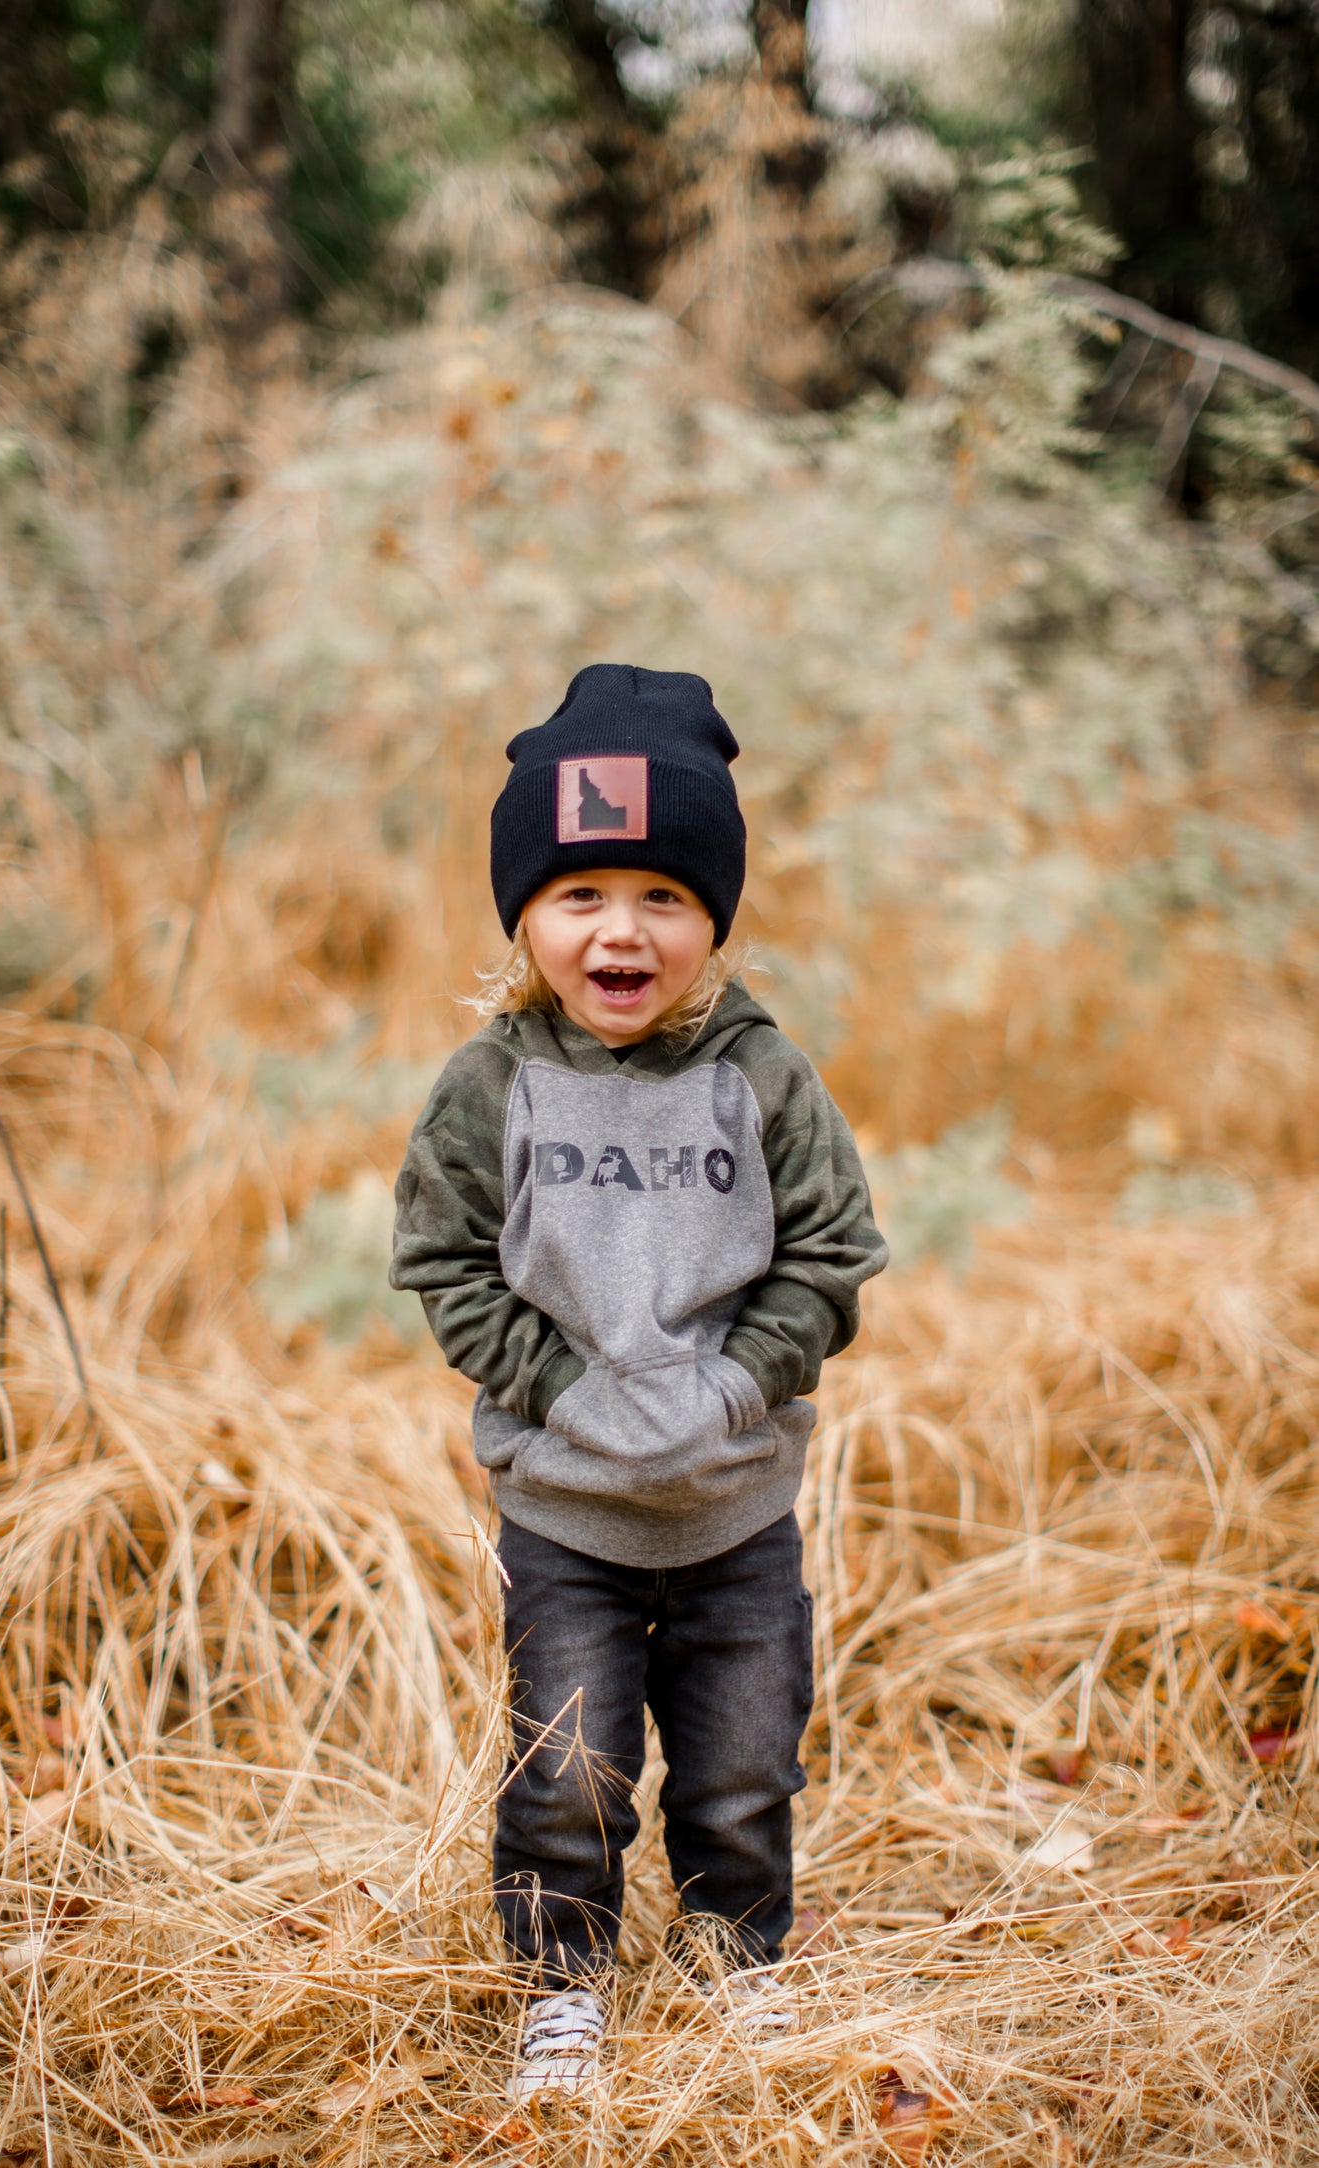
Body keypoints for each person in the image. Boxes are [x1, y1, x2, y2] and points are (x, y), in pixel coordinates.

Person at [390, 664, 887, 2099]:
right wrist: (560, 1386)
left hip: (737, 1515)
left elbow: (833, 1253)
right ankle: (562, 1984)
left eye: (663, 895)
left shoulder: (764, 1078)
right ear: (525, 919)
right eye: (580, 894)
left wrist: (736, 1385)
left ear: (712, 921)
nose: (621, 927)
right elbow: (443, 1265)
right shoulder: (489, 1090)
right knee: (569, 1769)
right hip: (569, 1520)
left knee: (740, 1770)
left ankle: (739, 1962)